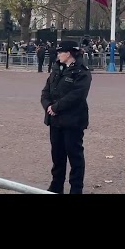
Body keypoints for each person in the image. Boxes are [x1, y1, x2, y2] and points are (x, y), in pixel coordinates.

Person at [40, 40, 91, 194]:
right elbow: (46, 90)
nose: (58, 55)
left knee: (75, 157)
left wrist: (56, 107)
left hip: (72, 120)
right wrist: (48, 105)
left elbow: (77, 95)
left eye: (60, 52)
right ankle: (56, 186)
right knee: (57, 156)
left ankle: (76, 189)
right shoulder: (56, 68)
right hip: (55, 120)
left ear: (68, 53)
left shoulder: (82, 72)